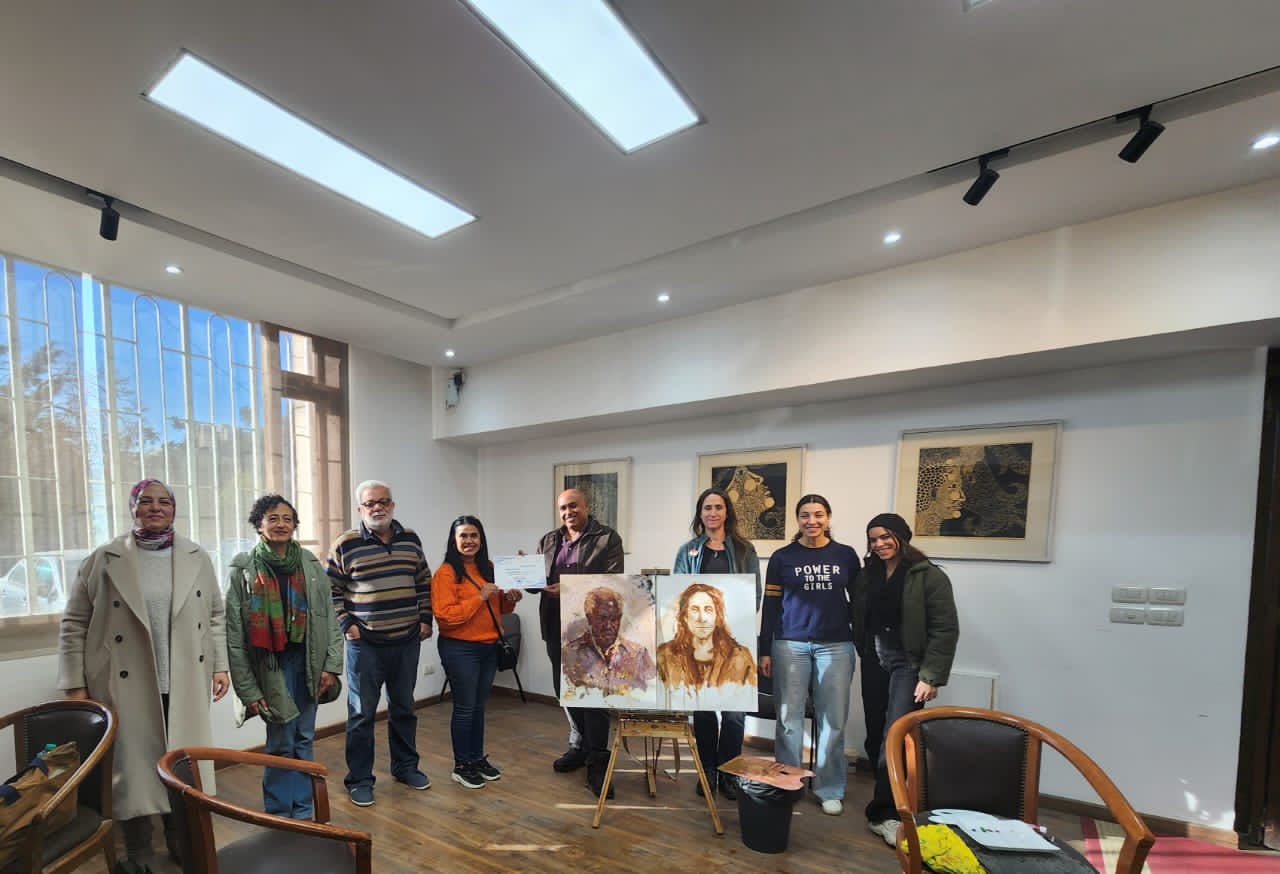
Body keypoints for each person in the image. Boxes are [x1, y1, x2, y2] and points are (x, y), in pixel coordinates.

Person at [57, 479, 229, 868]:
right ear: (132, 508)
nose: (155, 508)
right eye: (146, 501)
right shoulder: (104, 558)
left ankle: (180, 837)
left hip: (184, 679)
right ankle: (136, 850)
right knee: (131, 768)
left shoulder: (196, 556)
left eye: (164, 502)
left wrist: (220, 665)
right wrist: (74, 684)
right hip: (124, 682)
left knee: (181, 761)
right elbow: (74, 622)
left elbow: (215, 616)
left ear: (174, 509)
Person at [225, 494, 342, 819]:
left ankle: (303, 813)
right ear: (259, 524)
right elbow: (234, 635)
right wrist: (248, 690)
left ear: (294, 524)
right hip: (270, 667)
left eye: (287, 518)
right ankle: (279, 815)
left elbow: (329, 619)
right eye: (272, 518)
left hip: (308, 661)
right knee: (280, 742)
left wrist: (331, 666)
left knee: (304, 738)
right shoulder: (243, 568)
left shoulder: (309, 564)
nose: (281, 524)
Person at [856, 512, 959, 847]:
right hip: (874, 661)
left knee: (895, 736)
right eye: (873, 539)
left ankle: (886, 814)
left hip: (908, 665)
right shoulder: (868, 574)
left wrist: (931, 677)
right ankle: (887, 805)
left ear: (901, 537)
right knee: (876, 734)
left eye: (886, 536)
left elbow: (945, 629)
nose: (879, 544)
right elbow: (859, 615)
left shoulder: (928, 575)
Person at [327, 480, 433, 807]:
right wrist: (347, 625)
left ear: (392, 505)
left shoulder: (410, 539)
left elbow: (423, 581)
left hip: (407, 640)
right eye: (371, 503)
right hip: (365, 644)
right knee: (362, 714)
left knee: (404, 708)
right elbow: (330, 590)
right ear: (360, 508)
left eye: (384, 501)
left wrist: (425, 618)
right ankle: (360, 779)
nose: (378, 507)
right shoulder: (345, 544)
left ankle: (405, 767)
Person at [758, 494, 860, 816]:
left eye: (818, 515)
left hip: (836, 645)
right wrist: (764, 649)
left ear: (828, 517)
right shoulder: (782, 558)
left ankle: (829, 788)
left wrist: (859, 638)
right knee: (788, 719)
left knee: (833, 720)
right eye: (805, 515)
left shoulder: (845, 555)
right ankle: (789, 783)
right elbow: (771, 605)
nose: (811, 521)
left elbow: (859, 602)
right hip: (790, 644)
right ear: (798, 519)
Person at [669, 486, 761, 800]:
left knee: (734, 713)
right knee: (705, 710)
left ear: (727, 512)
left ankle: (729, 773)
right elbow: (678, 596)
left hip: (735, 640)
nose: (712, 513)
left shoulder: (745, 550)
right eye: (707, 508)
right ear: (700, 514)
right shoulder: (688, 551)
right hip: (698, 642)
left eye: (718, 507)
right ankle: (707, 770)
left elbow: (754, 596)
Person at [536, 488, 623, 797]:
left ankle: (598, 761)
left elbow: (613, 583)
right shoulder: (548, 540)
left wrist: (571, 589)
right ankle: (582, 747)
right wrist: (522, 575)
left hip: (591, 630)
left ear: (587, 506)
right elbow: (538, 584)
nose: (568, 512)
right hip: (554, 626)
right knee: (564, 690)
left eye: (573, 506)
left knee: (594, 695)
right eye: (563, 508)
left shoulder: (607, 538)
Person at [431, 515, 522, 789]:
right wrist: (480, 596)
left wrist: (510, 599)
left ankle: (476, 758)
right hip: (460, 649)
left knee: (479, 707)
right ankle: (461, 766)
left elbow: (499, 610)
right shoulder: (446, 573)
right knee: (464, 708)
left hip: (488, 647)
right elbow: (446, 617)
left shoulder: (490, 568)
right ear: (454, 540)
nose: (469, 541)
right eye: (463, 536)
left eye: (474, 535)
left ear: (481, 539)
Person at [561, 586, 656, 695]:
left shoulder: (639, 654)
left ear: (620, 619)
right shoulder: (570, 653)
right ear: (589, 618)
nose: (608, 625)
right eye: (602, 618)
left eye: (614, 619)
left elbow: (651, 691)